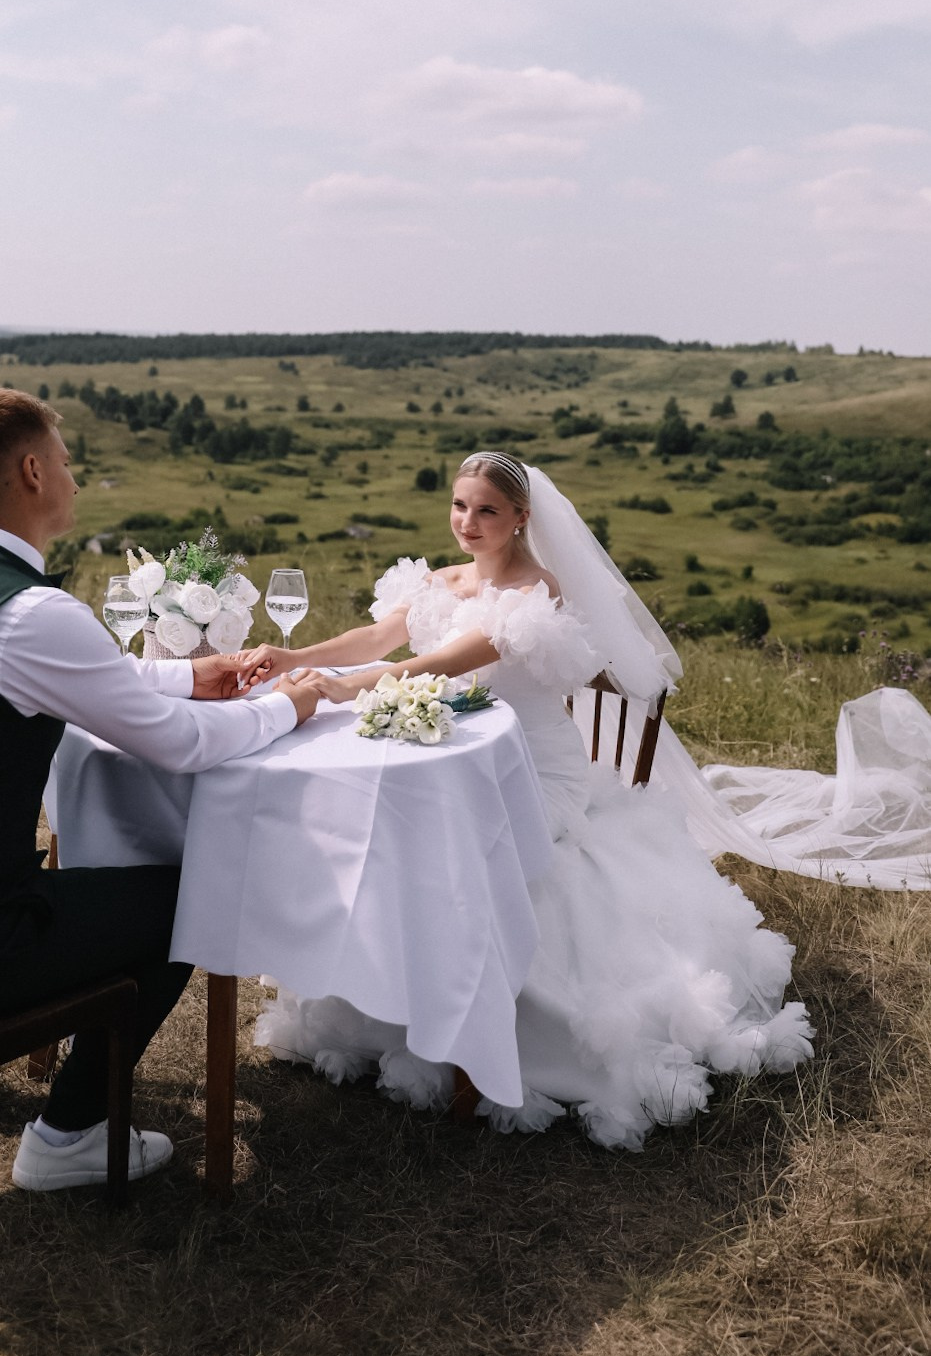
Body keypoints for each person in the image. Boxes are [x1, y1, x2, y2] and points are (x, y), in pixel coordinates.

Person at [0, 387, 317, 1189]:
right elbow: (180, 747)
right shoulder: (28, 612)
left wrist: (190, 673)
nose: (74, 476)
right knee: (182, 900)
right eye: (66, 460)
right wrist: (283, 710)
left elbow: (98, 672)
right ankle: (68, 1133)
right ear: (31, 470)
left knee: (71, 885)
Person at [246, 451, 814, 1150]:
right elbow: (375, 635)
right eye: (459, 505)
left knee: (476, 854)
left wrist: (352, 683)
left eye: (486, 509)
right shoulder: (438, 579)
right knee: (393, 830)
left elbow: (436, 663)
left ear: (520, 517)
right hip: (451, 755)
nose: (468, 522)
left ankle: (507, 1039)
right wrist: (297, 657)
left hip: (533, 768)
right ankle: (396, 1003)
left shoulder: (533, 591)